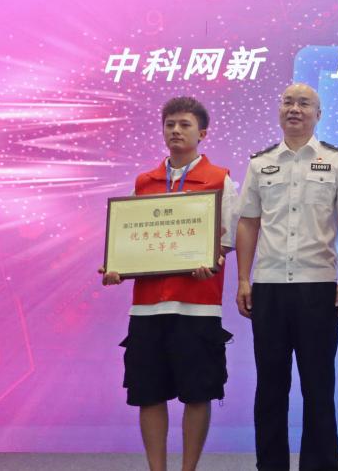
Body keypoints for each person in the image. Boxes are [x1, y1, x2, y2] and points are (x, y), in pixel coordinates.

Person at [100, 96, 238, 471]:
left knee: (198, 392)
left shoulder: (219, 179)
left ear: (202, 133)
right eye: (170, 124)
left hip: (198, 305)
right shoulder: (144, 182)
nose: (176, 131)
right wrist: (117, 268)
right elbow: (129, 242)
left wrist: (214, 259)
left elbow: (226, 240)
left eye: (184, 125)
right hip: (147, 307)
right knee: (148, 393)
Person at [235, 82, 338, 471]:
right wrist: (243, 279)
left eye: (304, 103)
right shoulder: (260, 163)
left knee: (318, 386)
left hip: (319, 287)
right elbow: (248, 223)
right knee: (270, 386)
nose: (294, 109)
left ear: (318, 114)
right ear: (278, 110)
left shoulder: (337, 161)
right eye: (287, 101)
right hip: (269, 286)